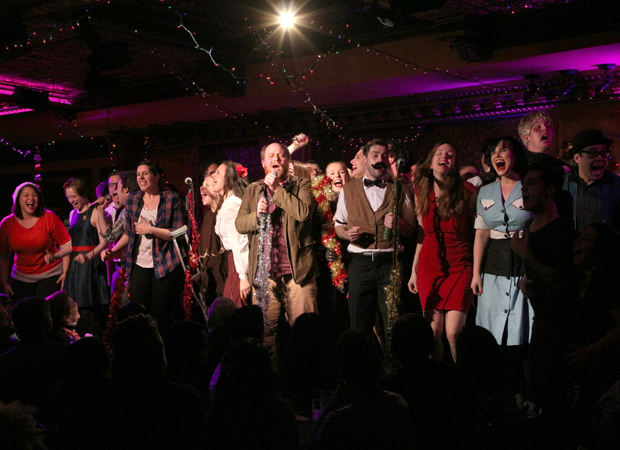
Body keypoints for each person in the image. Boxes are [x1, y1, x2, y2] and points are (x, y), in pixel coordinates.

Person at [235, 142, 318, 363]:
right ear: (263, 163)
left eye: (281, 156)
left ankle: (303, 388)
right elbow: (239, 224)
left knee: (305, 334)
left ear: (287, 161)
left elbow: (302, 212)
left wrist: (276, 191)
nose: (277, 159)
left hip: (297, 274)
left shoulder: (301, 185)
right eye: (271, 156)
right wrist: (256, 216)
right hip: (265, 277)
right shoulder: (252, 189)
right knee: (264, 338)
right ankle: (269, 387)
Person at [511, 163, 577, 419]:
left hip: (559, 323)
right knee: (536, 386)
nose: (524, 189)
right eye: (523, 184)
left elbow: (564, 282)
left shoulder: (562, 230)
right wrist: (527, 281)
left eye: (531, 183)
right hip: (541, 317)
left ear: (550, 190)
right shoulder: (530, 227)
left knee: (552, 393)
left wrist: (527, 254)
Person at [335, 140, 416, 347]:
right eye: (375, 155)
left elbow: (411, 229)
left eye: (383, 155)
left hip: (390, 263)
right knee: (359, 325)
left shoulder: (400, 188)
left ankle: (393, 370)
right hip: (361, 265)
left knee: (392, 324)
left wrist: (399, 224)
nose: (380, 160)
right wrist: (347, 235)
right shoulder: (349, 189)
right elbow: (339, 226)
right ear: (366, 159)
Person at [471, 137, 532, 400]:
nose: (499, 155)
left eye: (504, 149)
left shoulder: (528, 185)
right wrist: (475, 273)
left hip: (523, 264)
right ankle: (499, 395)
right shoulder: (485, 191)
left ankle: (525, 393)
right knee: (494, 333)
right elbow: (481, 235)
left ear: (515, 155)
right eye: (493, 151)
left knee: (522, 332)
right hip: (494, 266)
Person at [408, 141, 477, 362]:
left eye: (450, 154)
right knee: (433, 332)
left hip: (460, 265)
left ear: (455, 162)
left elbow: (478, 234)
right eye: (439, 153)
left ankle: (463, 381)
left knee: (454, 333)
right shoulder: (420, 192)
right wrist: (414, 270)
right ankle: (438, 384)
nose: (444, 157)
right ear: (431, 161)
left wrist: (477, 271)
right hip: (430, 265)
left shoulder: (468, 191)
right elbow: (421, 234)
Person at [121, 160, 186, 332]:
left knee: (161, 315)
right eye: (138, 174)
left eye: (145, 173)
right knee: (139, 314)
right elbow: (129, 233)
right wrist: (111, 251)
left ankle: (161, 351)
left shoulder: (170, 197)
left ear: (157, 177)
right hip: (139, 263)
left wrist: (150, 229)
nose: (141, 177)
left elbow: (178, 232)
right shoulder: (132, 200)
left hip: (165, 262)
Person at [1, 182, 72, 300]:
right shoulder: (7, 224)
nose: (31, 198)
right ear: (18, 200)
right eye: (26, 195)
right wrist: (4, 282)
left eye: (34, 195)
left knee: (46, 313)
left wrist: (65, 273)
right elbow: (3, 256)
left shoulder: (49, 218)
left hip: (51, 274)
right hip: (20, 278)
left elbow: (67, 245)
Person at [62, 178, 109, 336]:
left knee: (91, 308)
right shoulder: (72, 214)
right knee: (77, 307)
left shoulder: (95, 211)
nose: (71, 200)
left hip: (90, 266)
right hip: (76, 266)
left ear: (83, 194)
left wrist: (89, 256)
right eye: (68, 197)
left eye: (73, 196)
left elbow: (105, 241)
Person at [562, 129, 620, 233]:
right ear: (577, 158)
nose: (600, 158)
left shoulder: (616, 186)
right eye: (592, 153)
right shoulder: (562, 185)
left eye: (603, 152)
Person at [211, 161, 251, 306]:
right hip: (233, 263)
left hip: (238, 264)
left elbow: (239, 241)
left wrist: (243, 276)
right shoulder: (227, 203)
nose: (213, 175)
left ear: (227, 179)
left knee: (235, 308)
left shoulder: (232, 204)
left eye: (218, 173)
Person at [197, 162, 227, 306]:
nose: (202, 188)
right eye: (202, 185)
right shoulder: (208, 217)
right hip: (210, 283)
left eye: (207, 186)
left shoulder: (225, 215)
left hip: (224, 281)